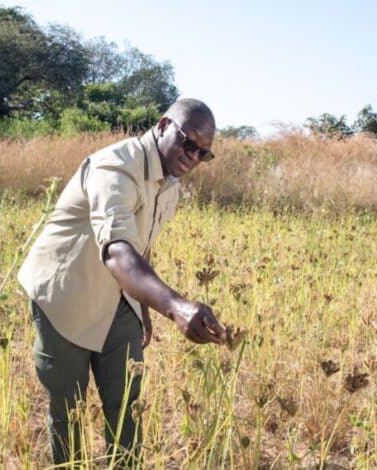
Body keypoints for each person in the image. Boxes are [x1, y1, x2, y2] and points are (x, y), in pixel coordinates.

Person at [18, 98, 227, 466]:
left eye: (203, 153)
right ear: (163, 126)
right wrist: (176, 306)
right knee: (69, 413)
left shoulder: (170, 184)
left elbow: (140, 247)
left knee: (127, 407)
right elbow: (117, 252)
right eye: (188, 142)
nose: (193, 156)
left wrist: (142, 308)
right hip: (65, 295)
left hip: (119, 298)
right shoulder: (115, 168)